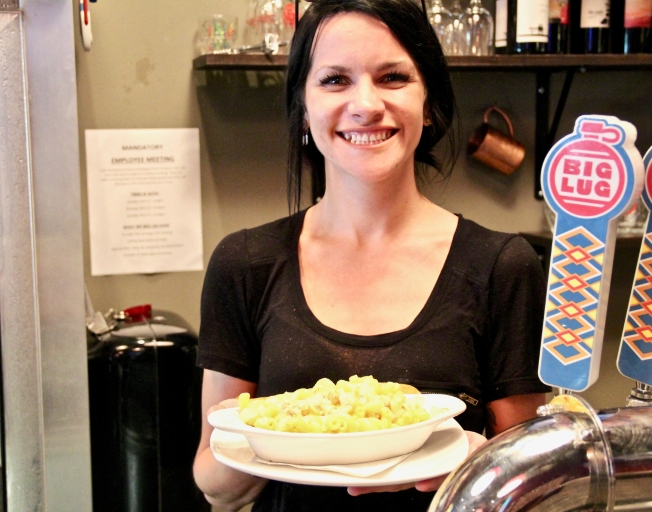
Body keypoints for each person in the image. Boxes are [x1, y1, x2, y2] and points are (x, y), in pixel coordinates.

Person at [193, 0, 550, 510]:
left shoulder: (503, 267)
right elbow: (213, 481)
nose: (365, 104)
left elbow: (528, 486)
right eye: (335, 80)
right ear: (303, 108)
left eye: (392, 77)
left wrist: (476, 457)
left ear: (428, 104)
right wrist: (268, 439)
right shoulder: (245, 264)